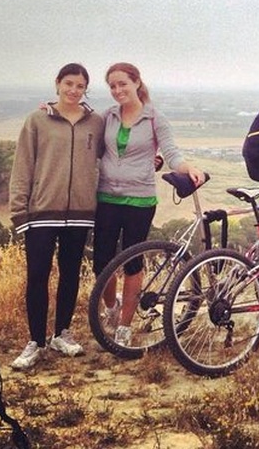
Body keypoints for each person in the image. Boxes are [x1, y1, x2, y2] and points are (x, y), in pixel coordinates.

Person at [94, 63, 205, 348]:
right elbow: (84, 132)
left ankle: (124, 326)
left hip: (139, 200)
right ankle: (111, 309)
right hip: (106, 196)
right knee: (101, 263)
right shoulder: (107, 116)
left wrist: (186, 168)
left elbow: (170, 152)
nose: (118, 90)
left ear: (136, 83)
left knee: (132, 263)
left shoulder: (155, 118)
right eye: (113, 86)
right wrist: (52, 110)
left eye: (123, 84)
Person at [9, 63, 105, 370]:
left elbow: (116, 152)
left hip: (79, 213)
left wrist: (152, 157)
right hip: (41, 213)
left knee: (70, 273)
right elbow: (23, 166)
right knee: (37, 276)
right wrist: (19, 211)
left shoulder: (96, 122)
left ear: (85, 89)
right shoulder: (37, 120)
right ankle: (35, 341)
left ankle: (61, 333)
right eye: (69, 84)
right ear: (57, 84)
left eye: (80, 86)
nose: (74, 90)